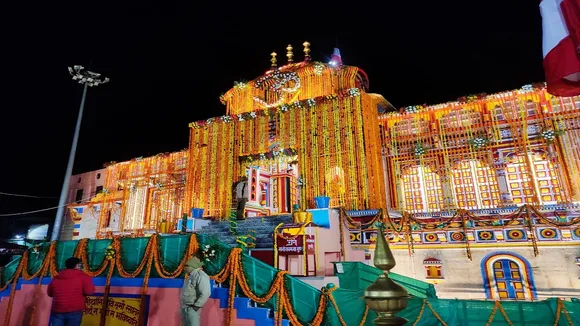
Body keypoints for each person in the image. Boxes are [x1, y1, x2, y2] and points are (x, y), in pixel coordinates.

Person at [47, 257, 95, 326]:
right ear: (78, 265)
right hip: (74, 309)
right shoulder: (83, 276)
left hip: (57, 310)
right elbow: (89, 291)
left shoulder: (57, 277)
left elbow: (50, 293)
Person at [181, 256, 211, 326]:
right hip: (185, 307)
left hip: (193, 308)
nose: (185, 268)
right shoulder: (190, 276)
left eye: (186, 266)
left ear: (192, 266)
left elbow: (206, 292)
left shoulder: (201, 276)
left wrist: (197, 305)